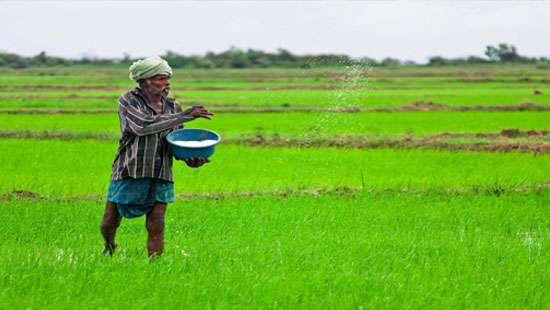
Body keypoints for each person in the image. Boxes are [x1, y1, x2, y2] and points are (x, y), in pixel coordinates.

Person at [99, 56, 213, 258]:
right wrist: (185, 116)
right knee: (110, 220)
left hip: (161, 171)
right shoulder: (128, 101)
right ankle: (109, 246)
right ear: (145, 80)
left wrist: (193, 159)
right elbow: (141, 127)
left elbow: (176, 140)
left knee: (157, 222)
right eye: (161, 78)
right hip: (130, 169)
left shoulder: (173, 107)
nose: (167, 83)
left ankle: (155, 266)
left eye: (167, 78)